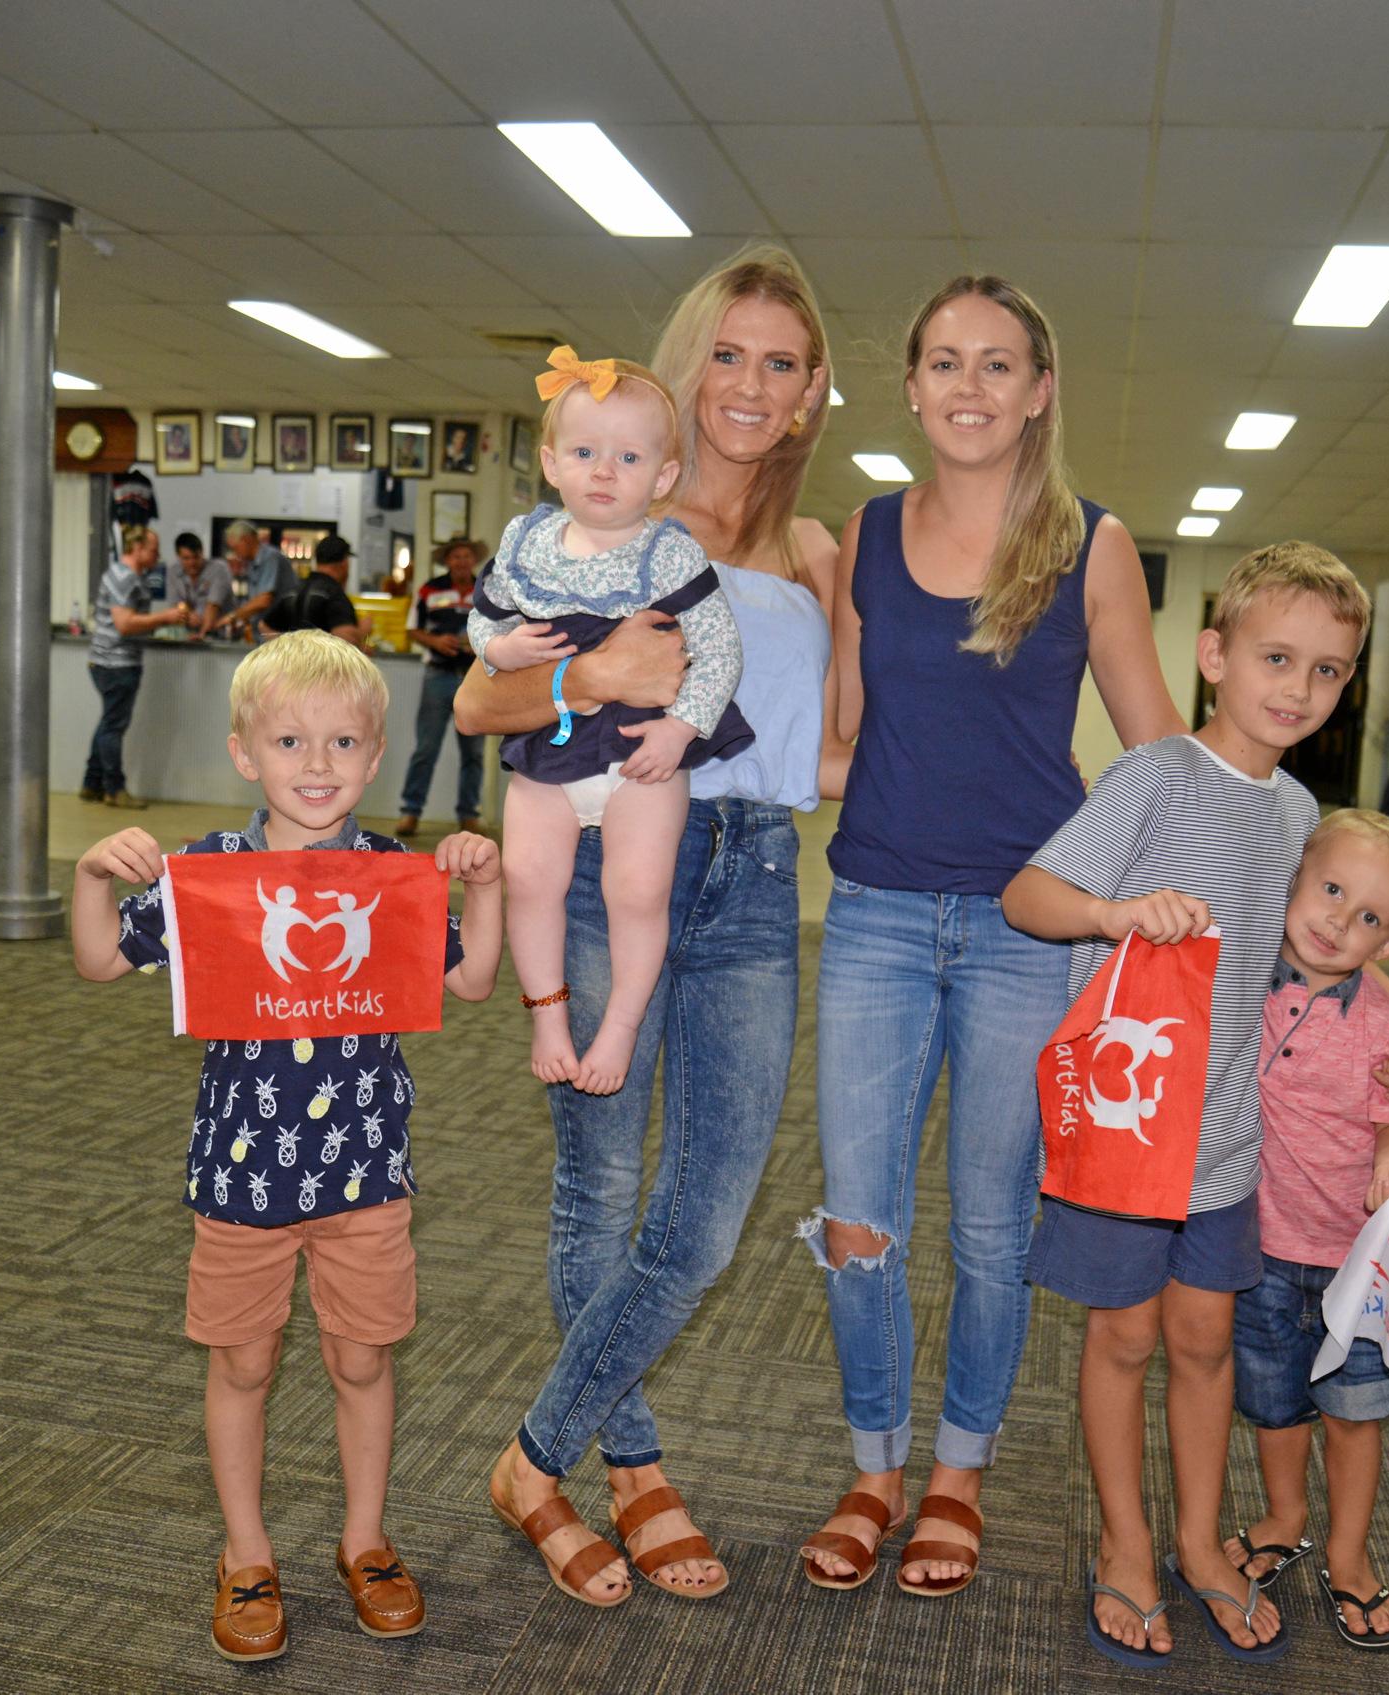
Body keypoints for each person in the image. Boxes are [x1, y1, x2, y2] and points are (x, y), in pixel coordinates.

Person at [797, 275, 1186, 1602]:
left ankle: (956, 1471)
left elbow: (1159, 760)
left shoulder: (1094, 544)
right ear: (909, 387)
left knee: (990, 1233)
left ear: (1039, 389)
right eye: (944, 362)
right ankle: (872, 1466)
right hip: (875, 920)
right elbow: (844, 740)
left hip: (1030, 927)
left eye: (997, 363)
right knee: (858, 1221)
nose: (969, 385)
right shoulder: (864, 531)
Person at [466, 245, 837, 1606]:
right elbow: (475, 704)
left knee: (707, 1220)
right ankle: (630, 1469)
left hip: (746, 872)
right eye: (727, 352)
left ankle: (531, 1454)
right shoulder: (591, 514)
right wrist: (592, 672)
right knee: (603, 1190)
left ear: (809, 396)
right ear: (685, 363)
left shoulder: (813, 551)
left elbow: (837, 747)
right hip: (596, 846)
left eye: (780, 363)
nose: (749, 384)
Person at [1002, 548, 1389, 1664]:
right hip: (1129, 1133)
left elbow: (1330, 936)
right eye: (1276, 658)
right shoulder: (1154, 776)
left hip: (1226, 1142)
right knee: (1126, 1339)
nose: (1297, 689)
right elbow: (1030, 895)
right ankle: (1127, 1550)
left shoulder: (1300, 810)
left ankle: (1201, 1545)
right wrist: (1115, 915)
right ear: (1215, 656)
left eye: (1329, 671)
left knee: (1204, 1342)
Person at [69, 631, 505, 1663]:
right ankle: (247, 1550)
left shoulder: (393, 876)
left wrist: (481, 889)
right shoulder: (210, 876)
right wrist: (92, 876)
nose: (318, 765)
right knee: (244, 1359)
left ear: (377, 752)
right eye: (292, 741)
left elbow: (474, 981)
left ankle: (365, 1538)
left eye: (344, 741)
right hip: (240, 1175)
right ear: (244, 754)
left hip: (366, 1171)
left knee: (361, 1358)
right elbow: (98, 961)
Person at [467, 350, 751, 1097]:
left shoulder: (668, 552)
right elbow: (481, 621)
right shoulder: (526, 544)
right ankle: (548, 1016)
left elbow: (721, 650)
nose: (603, 471)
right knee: (528, 876)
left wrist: (681, 729)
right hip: (549, 747)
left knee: (638, 890)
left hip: (638, 754)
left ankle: (621, 1023)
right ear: (551, 462)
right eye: (586, 452)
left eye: (627, 457)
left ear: (660, 478)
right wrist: (500, 646)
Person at [1230, 809, 1389, 1654]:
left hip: (1355, 1265)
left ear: (1388, 947)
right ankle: (1285, 1515)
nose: (1336, 921)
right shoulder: (1239, 977)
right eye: (1331, 890)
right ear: (1294, 878)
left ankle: (1348, 1555)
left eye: (1368, 919)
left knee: (1355, 1414)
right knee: (1276, 1401)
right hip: (1259, 1248)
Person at [82, 527, 187, 808]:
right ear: (137, 547)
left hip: (106, 660)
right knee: (113, 726)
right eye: (153, 549)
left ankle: (91, 784)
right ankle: (115, 789)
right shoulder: (126, 578)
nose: (157, 555)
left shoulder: (121, 574)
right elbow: (125, 623)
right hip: (117, 663)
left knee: (108, 722)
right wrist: (165, 617)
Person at [395, 539, 485, 836]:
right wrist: (434, 642)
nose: (461, 561)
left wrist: (482, 645)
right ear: (447, 560)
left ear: (473, 559)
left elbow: (501, 628)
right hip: (438, 676)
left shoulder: (487, 589)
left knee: (474, 752)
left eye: (466, 555)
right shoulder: (429, 589)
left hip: (475, 679)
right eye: (456, 556)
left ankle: (468, 816)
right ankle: (410, 812)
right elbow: (412, 628)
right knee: (426, 748)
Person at [263, 536, 370, 646]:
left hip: (294, 662)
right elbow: (346, 641)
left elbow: (264, 626)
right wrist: (362, 632)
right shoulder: (333, 594)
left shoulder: (294, 589)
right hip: (323, 663)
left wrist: (286, 650)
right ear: (344, 563)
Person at [216, 520, 294, 639]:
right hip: (264, 634)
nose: (236, 554)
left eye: (235, 548)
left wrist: (233, 617)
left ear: (246, 540)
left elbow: (264, 600)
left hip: (280, 636)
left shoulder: (270, 558)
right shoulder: (251, 565)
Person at [172, 531, 236, 638]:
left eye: (196, 557)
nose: (192, 563)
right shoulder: (173, 571)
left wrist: (202, 634)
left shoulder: (219, 569)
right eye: (186, 558)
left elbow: (213, 606)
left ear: (202, 553)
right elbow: (176, 605)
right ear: (178, 557)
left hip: (220, 636)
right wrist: (188, 616)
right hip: (190, 636)